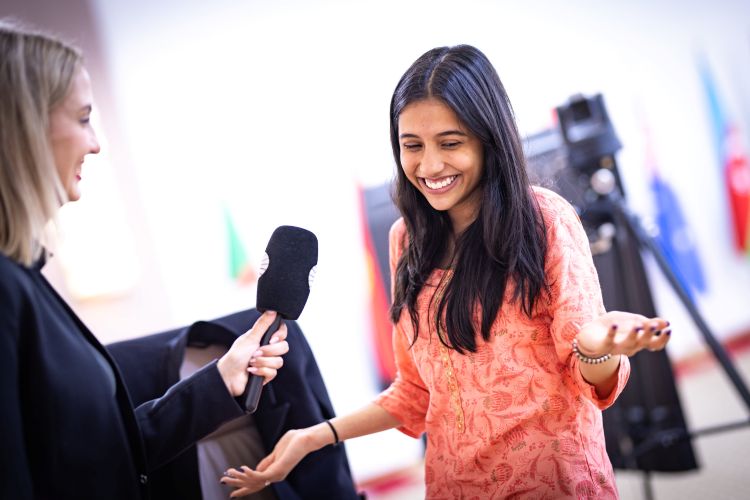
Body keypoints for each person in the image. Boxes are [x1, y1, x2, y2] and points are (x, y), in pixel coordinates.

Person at [221, 45, 671, 499]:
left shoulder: (545, 219)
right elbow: (416, 392)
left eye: (451, 143)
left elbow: (591, 378)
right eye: (412, 146)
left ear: (488, 139)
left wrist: (595, 349)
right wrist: (312, 436)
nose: (430, 165)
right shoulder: (406, 239)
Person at [0, 20, 289, 500]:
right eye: (83, 118)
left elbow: (108, 453)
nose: (95, 143)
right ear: (25, 127)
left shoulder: (23, 276)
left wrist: (222, 379)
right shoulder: (7, 291)